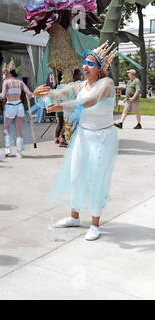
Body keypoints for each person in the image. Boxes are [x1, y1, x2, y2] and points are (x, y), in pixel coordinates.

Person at [33, 41, 118, 241]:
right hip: (83, 136)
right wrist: (41, 93)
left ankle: (95, 225)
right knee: (76, 174)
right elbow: (59, 93)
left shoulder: (107, 84)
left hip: (103, 138)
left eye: (91, 63)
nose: (85, 66)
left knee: (97, 178)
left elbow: (90, 101)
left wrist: (62, 107)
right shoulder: (81, 84)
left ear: (100, 68)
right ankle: (74, 216)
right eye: (85, 62)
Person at [0, 58, 34, 158]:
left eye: (6, 73)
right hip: (19, 106)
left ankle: (7, 149)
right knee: (19, 130)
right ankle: (19, 152)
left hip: (10, 106)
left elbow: (2, 96)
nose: (5, 75)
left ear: (9, 73)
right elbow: (29, 94)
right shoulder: (20, 82)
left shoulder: (6, 82)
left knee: (6, 128)